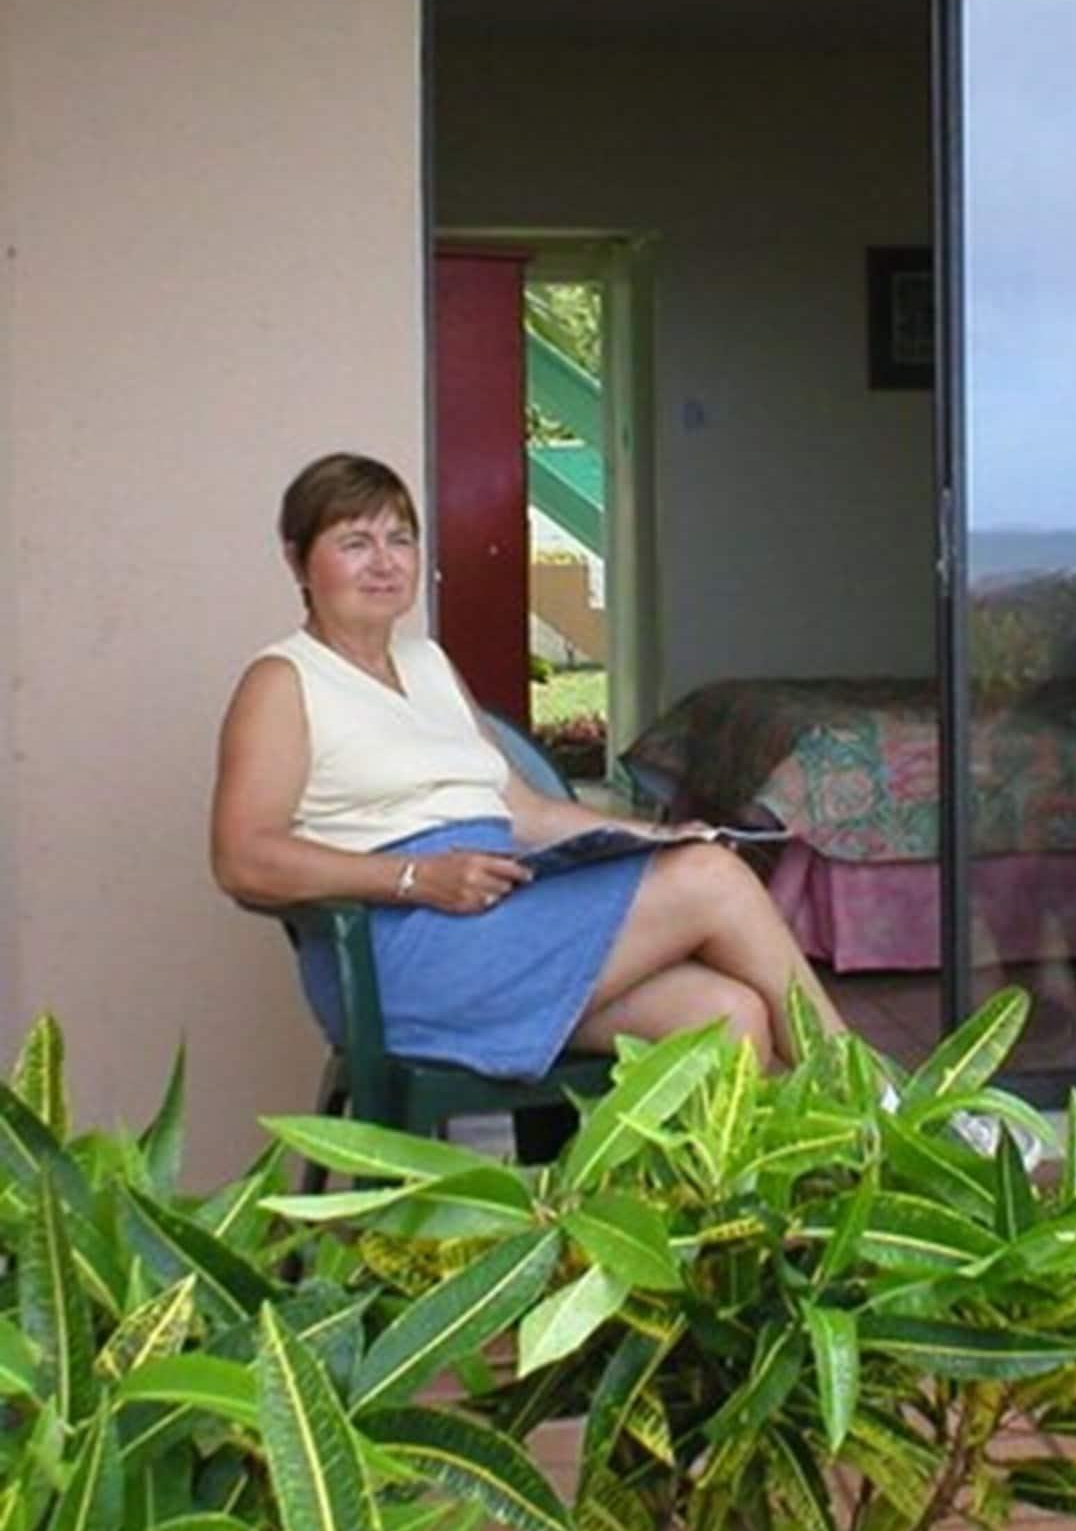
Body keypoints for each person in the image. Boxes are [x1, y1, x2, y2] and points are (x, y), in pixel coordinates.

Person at [212, 452, 845, 1090]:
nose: (384, 561)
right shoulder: (283, 680)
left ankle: (720, 1188)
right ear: (297, 561)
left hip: (501, 916)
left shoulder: (427, 662)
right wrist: (415, 877)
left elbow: (525, 812)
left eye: (399, 539)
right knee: (712, 880)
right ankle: (879, 1105)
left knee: (727, 1014)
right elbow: (242, 857)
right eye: (355, 542)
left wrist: (651, 837)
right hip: (403, 953)